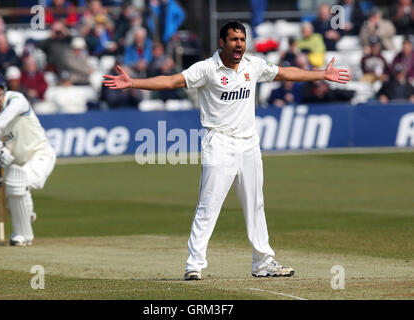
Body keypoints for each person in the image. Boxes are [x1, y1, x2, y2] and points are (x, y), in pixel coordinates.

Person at [103, 20, 350, 280]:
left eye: (242, 40)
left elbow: (286, 73)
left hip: (249, 143)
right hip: (219, 142)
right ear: (222, 42)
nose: (239, 45)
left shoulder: (253, 65)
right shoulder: (207, 68)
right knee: (208, 206)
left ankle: (263, 262)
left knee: (256, 204)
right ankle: (194, 265)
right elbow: (172, 80)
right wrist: (133, 83)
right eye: (233, 40)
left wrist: (321, 74)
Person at [0, 72, 56, 246]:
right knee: (13, 199)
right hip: (18, 163)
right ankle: (26, 215)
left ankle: (22, 236)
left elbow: (8, 115)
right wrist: (0, 152)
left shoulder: (17, 99)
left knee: (18, 183)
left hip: (40, 155)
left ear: (2, 88)